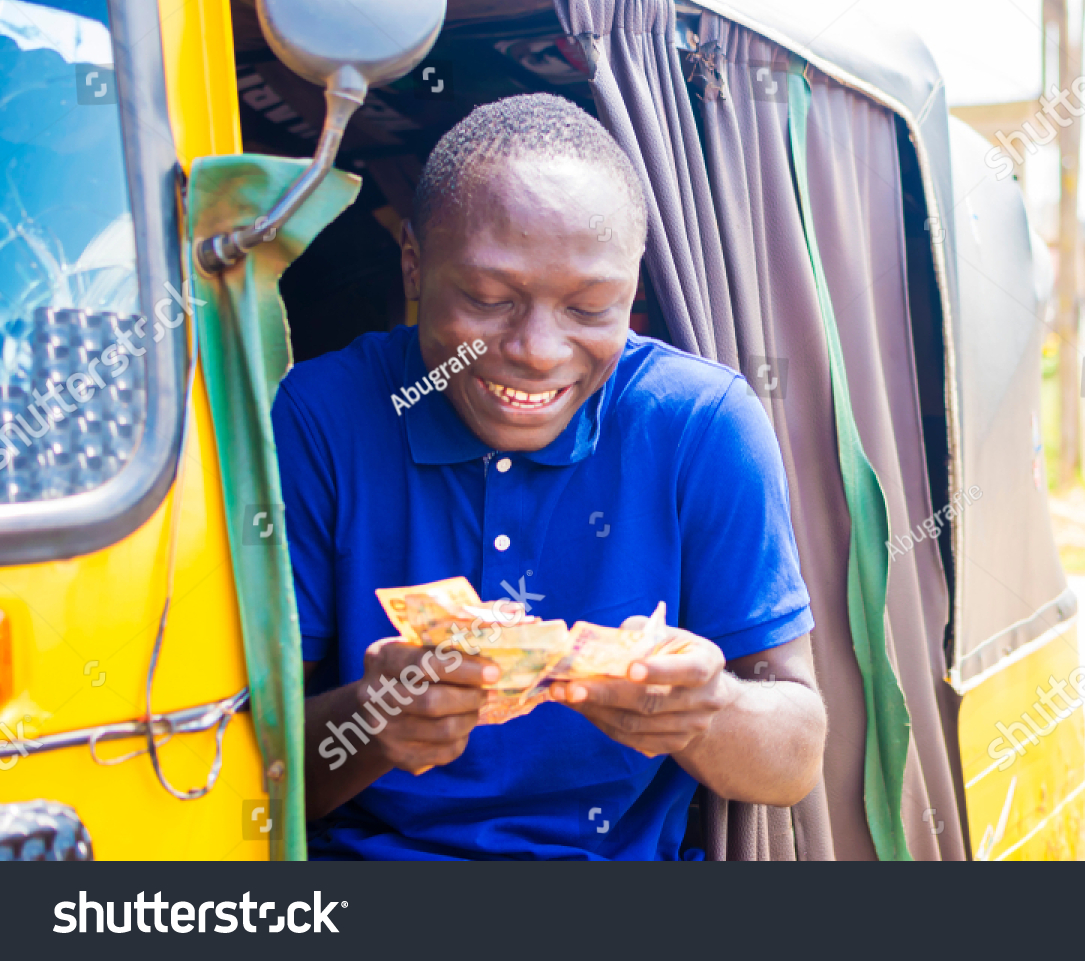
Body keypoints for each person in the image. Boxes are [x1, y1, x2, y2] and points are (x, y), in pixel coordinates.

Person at [273, 94, 825, 860]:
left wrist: (708, 708)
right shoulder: (320, 415)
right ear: (413, 263)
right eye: (489, 300)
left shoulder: (699, 425)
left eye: (591, 308)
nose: (537, 349)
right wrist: (373, 720)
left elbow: (794, 759)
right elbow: (248, 773)